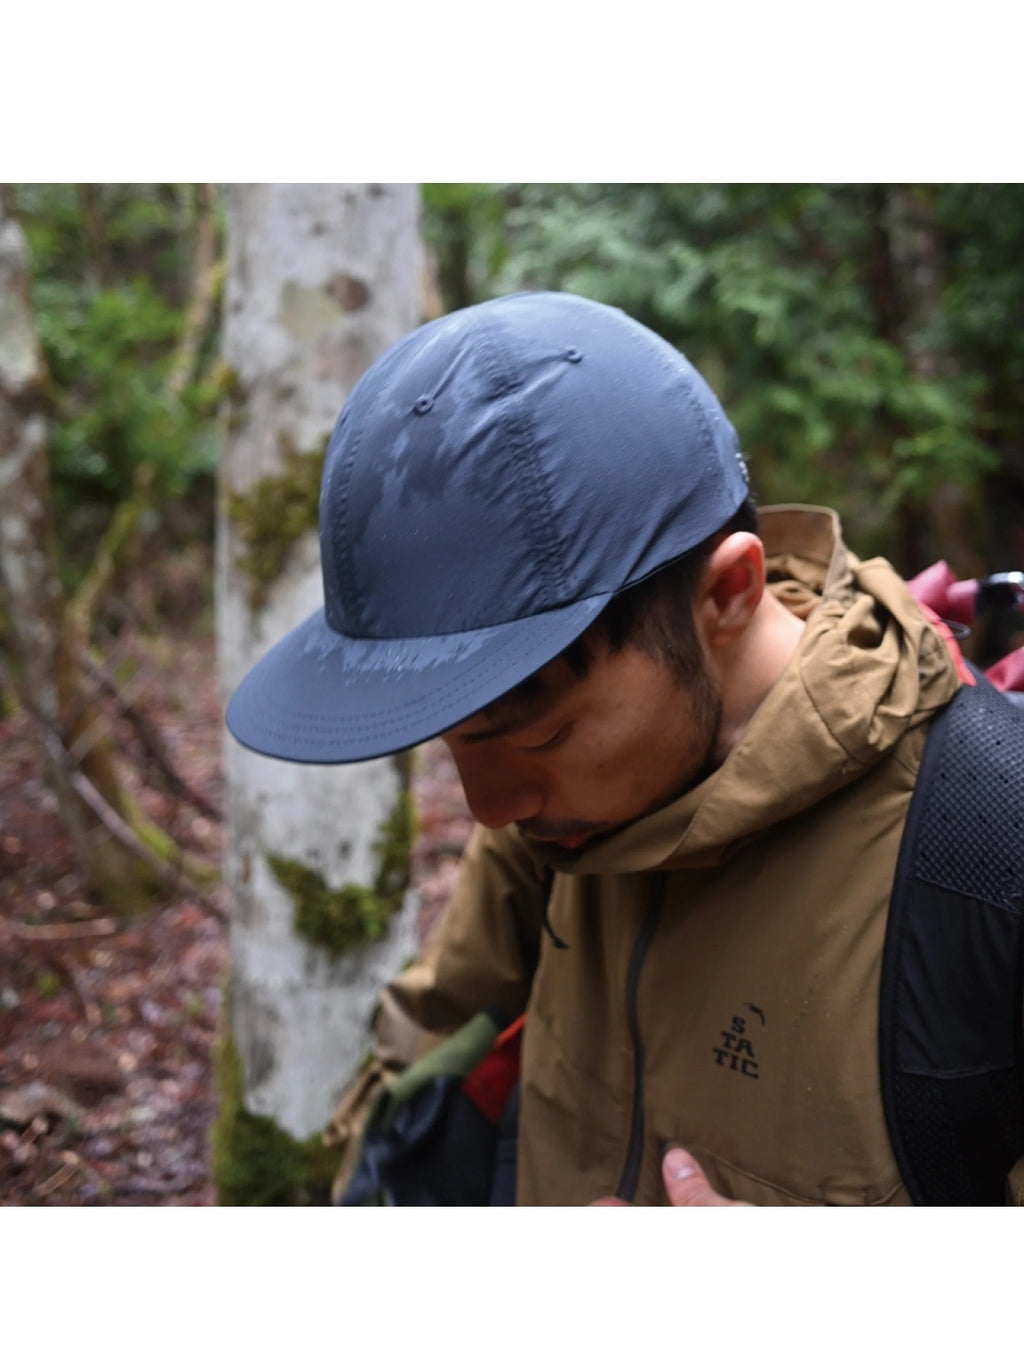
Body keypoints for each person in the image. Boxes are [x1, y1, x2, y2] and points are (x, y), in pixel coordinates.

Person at [226, 291, 1023, 1206]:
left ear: (729, 592)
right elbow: (427, 1050)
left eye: (543, 732)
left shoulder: (987, 853)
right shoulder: (553, 827)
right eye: (452, 742)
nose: (490, 808)